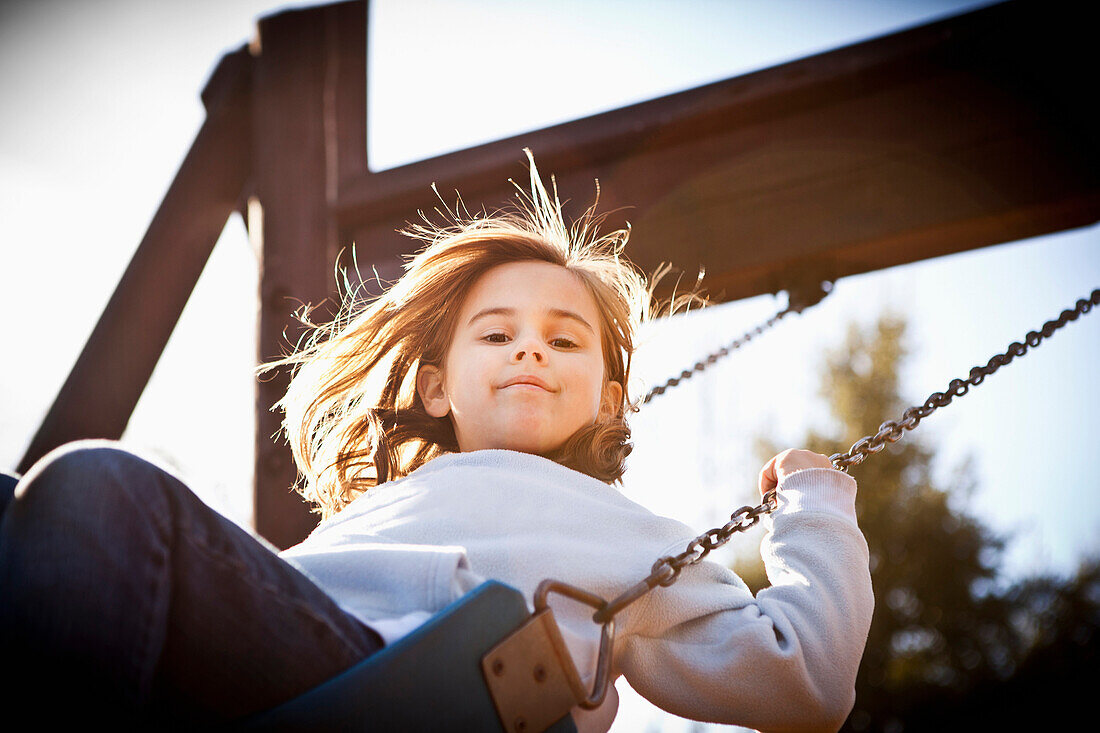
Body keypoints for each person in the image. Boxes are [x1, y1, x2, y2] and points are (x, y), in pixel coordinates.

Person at [0, 151, 873, 732]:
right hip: (266, 649)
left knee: (98, 489)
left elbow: (807, 676)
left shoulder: (624, 530)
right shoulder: (381, 509)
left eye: (565, 339)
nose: (531, 346)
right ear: (434, 385)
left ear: (609, 400)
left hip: (425, 685)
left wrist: (816, 504)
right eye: (495, 335)